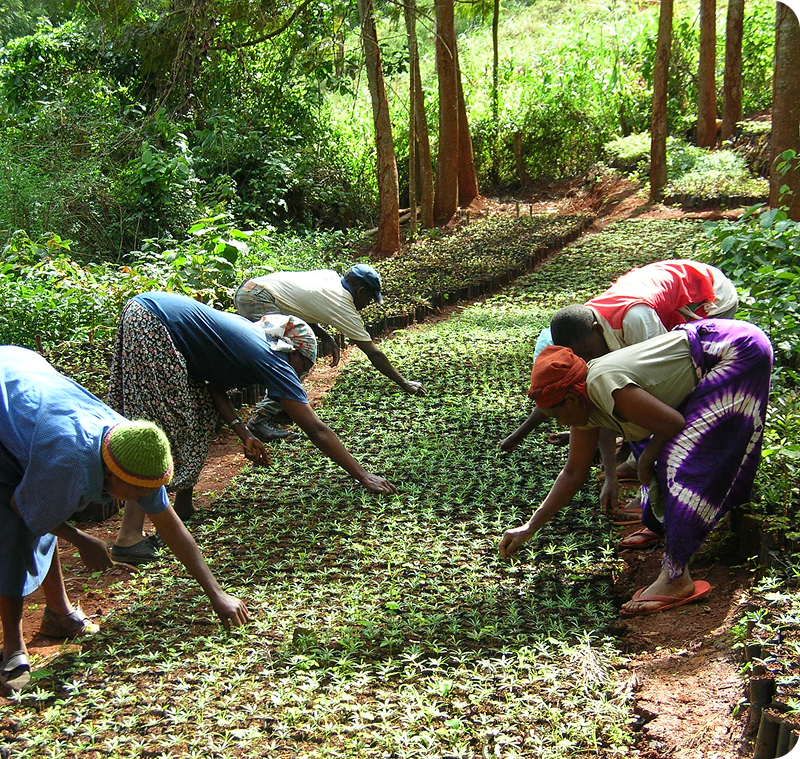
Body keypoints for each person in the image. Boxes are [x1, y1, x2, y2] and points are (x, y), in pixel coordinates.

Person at [0, 346, 248, 693]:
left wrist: (216, 593)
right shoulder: (67, 459)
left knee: (49, 505)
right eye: (134, 492)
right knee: (12, 532)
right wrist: (83, 540)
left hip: (27, 378)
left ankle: (58, 613)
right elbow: (20, 508)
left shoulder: (134, 451)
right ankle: (12, 646)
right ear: (112, 474)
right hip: (5, 401)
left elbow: (171, 526)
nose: (138, 501)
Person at [499, 319, 772, 616]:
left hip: (732, 351)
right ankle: (670, 532)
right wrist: (530, 526)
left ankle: (676, 576)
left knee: (680, 463)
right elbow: (574, 472)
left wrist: (645, 459)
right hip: (711, 355)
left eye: (558, 414)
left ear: (572, 397)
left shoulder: (601, 384)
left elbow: (672, 424)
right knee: (669, 461)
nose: (561, 423)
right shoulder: (581, 404)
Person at [108, 291, 396, 565]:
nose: (300, 373)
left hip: (149, 316)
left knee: (199, 415)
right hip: (153, 323)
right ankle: (129, 538)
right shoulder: (270, 355)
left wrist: (244, 434)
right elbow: (315, 428)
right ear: (293, 351)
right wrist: (363, 475)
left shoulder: (252, 340)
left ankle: (184, 504)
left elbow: (214, 391)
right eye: (303, 365)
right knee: (167, 425)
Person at [499, 260, 739, 454]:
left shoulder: (634, 319)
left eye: (589, 353)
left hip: (710, 294)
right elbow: (563, 396)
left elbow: (669, 374)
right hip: (666, 292)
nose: (588, 362)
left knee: (689, 378)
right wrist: (521, 434)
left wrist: (644, 455)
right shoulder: (589, 329)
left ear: (595, 329)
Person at [235, 265, 425, 442]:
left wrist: (325, 336)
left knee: (296, 354)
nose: (368, 304)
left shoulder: (331, 277)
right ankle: (260, 420)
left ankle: (283, 408)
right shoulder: (342, 302)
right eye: (369, 298)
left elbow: (300, 305)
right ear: (361, 292)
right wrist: (404, 383)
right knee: (292, 358)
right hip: (259, 299)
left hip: (251, 290)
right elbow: (373, 353)